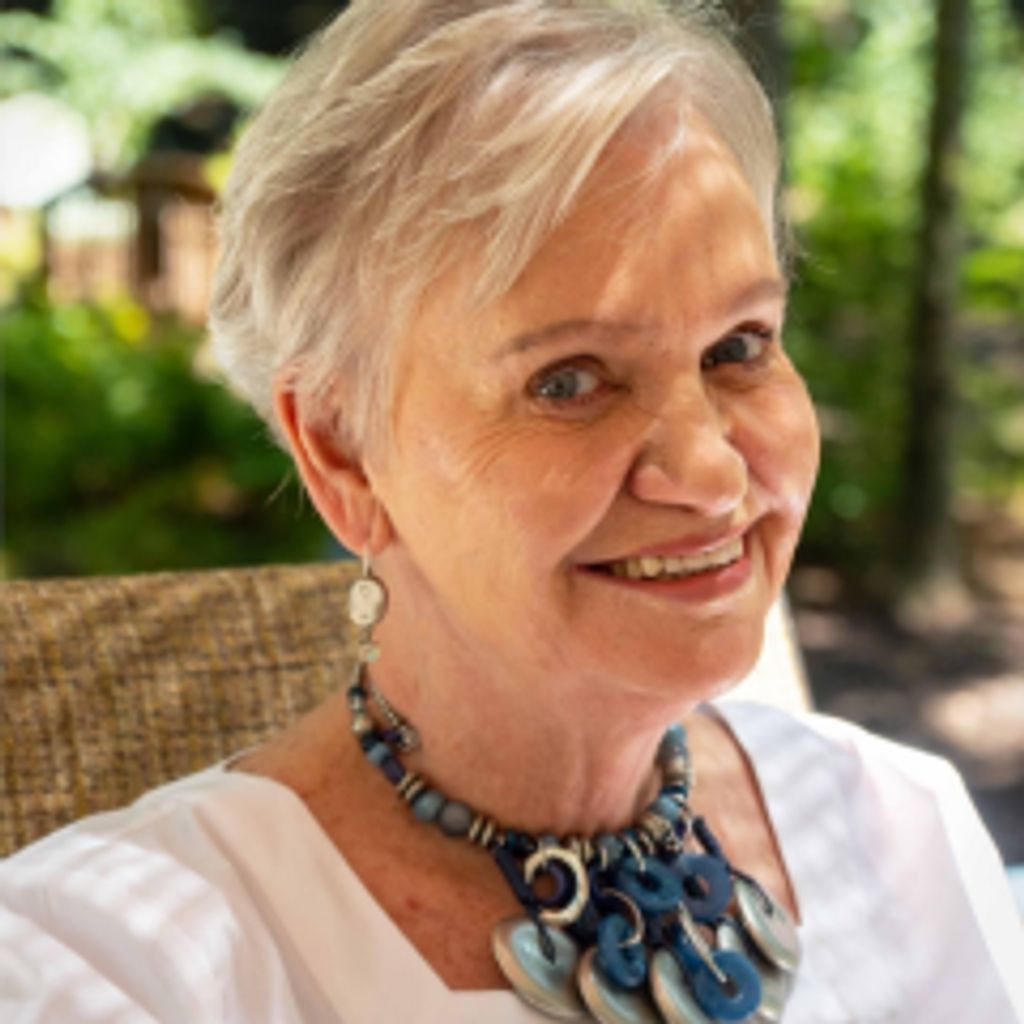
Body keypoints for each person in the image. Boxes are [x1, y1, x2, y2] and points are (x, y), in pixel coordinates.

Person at [2, 1, 1022, 1021]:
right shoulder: (108, 966)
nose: (712, 475)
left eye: (738, 347)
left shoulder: (895, 829)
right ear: (342, 451)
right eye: (570, 381)